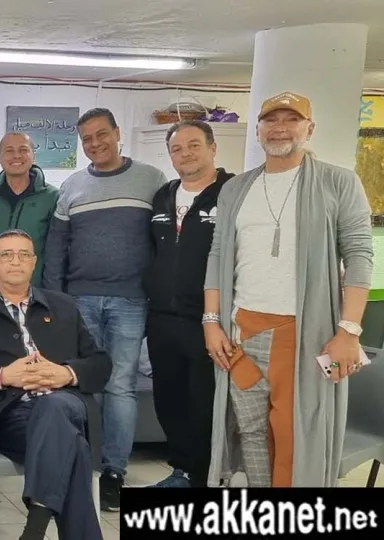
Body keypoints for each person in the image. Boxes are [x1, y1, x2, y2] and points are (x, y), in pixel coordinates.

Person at [203, 91, 374, 488]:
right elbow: (218, 254)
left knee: (295, 437)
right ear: (258, 130)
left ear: (309, 129)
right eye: (271, 120)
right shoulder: (236, 189)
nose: (280, 127)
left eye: (292, 119)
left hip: (301, 335)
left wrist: (349, 331)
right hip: (240, 333)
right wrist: (211, 321)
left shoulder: (337, 182)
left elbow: (359, 255)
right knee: (250, 432)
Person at [40, 107, 167, 510]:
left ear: (117, 133)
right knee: (81, 382)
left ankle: (113, 471)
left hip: (131, 300)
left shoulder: (152, 180)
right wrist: (56, 298)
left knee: (120, 386)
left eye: (101, 135)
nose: (95, 144)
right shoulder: (72, 186)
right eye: (87, 139)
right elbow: (56, 247)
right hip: (80, 301)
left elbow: (165, 241)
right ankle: (81, 463)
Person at [0, 229, 110, 540]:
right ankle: (37, 529)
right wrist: (3, 376)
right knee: (73, 446)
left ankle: (34, 530)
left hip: (66, 403)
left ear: (34, 262)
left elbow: (101, 364)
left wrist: (66, 373)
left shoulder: (63, 306)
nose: (15, 261)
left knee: (55, 405)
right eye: (6, 254)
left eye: (23, 254)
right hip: (11, 416)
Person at [144, 120, 234, 488]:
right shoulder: (163, 196)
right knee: (169, 400)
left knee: (205, 404)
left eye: (194, 145)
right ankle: (182, 471)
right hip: (162, 318)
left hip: (209, 320)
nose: (185, 154)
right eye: (177, 148)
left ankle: (205, 477)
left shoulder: (232, 193)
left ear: (213, 147)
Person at [0, 132, 59, 287]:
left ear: (33, 155)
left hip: (33, 292)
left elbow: (57, 252)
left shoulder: (52, 197)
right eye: (9, 151)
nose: (16, 156)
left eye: (23, 150)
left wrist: (51, 293)